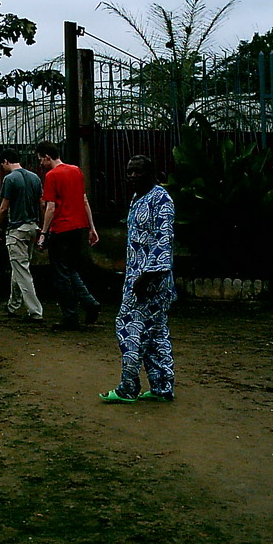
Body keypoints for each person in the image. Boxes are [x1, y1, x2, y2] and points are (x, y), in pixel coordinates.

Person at [100, 154, 176, 403]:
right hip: (137, 276)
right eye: (129, 172)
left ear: (151, 173)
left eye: (138, 172)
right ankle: (162, 387)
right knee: (156, 334)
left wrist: (148, 276)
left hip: (150, 282)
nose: (132, 176)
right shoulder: (138, 198)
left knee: (128, 328)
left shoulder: (162, 200)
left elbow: (164, 241)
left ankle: (127, 388)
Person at [34, 140, 100, 330]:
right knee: (71, 269)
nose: (41, 164)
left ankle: (70, 315)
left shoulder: (52, 176)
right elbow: (84, 200)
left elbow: (50, 207)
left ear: (47, 156)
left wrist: (44, 233)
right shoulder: (76, 171)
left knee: (61, 274)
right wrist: (91, 227)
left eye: (41, 160)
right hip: (78, 227)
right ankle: (89, 302)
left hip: (61, 228)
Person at [0, 148, 44, 321]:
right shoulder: (35, 177)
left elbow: (4, 208)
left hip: (16, 229)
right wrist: (42, 228)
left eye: (2, 165)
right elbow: (42, 204)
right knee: (20, 267)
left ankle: (35, 311)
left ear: (6, 161)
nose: (3, 168)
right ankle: (13, 304)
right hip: (32, 226)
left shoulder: (10, 179)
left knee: (22, 271)